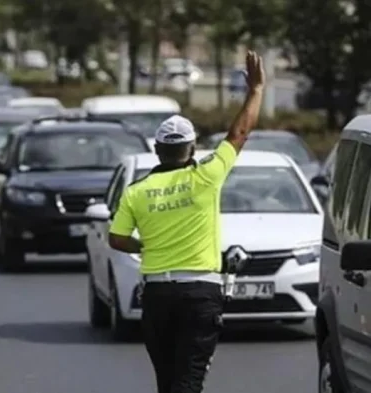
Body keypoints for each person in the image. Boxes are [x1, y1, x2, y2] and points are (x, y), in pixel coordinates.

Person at [107, 51, 265, 393]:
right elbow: (239, 132)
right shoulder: (207, 176)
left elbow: (117, 239)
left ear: (157, 148)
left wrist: (145, 244)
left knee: (168, 382)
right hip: (200, 293)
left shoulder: (137, 191)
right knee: (189, 381)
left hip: (157, 295)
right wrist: (256, 90)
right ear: (192, 149)